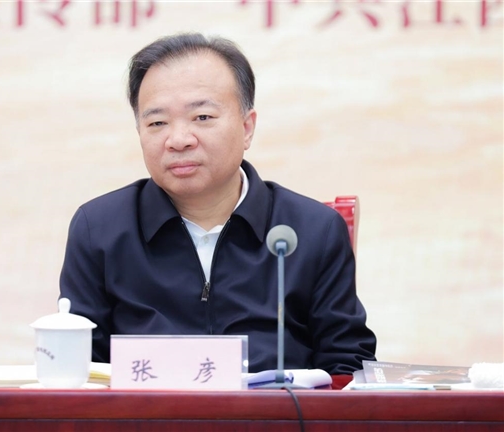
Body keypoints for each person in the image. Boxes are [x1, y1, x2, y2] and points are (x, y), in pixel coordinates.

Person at [60, 32, 377, 375]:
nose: (178, 140)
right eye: (157, 123)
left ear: (247, 128)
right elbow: (79, 368)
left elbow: (347, 366)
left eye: (203, 117)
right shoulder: (100, 229)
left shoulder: (313, 230)